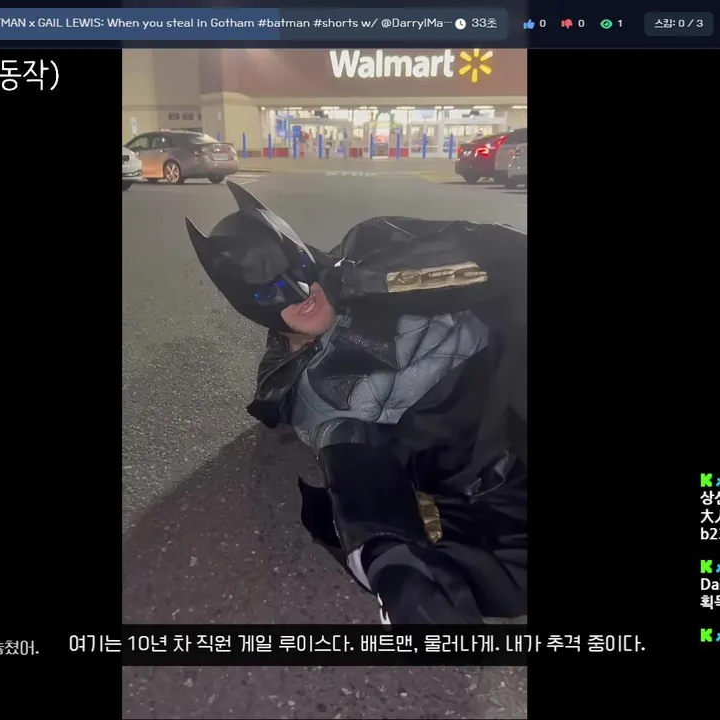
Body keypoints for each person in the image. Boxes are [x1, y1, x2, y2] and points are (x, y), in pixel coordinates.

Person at [185, 184, 527, 624]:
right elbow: (349, 458)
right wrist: (393, 564)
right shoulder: (300, 384)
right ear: (244, 304)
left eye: (298, 267)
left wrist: (363, 280)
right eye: (270, 290)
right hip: (472, 462)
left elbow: (506, 253)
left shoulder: (371, 244)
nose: (300, 291)